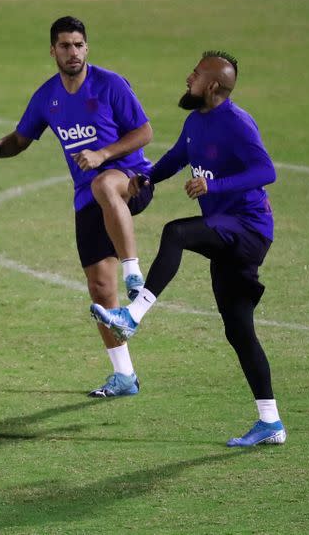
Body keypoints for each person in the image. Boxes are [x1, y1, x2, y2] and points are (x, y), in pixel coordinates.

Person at [90, 51, 286, 446]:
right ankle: (271, 422)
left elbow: (267, 171)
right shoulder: (195, 121)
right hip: (225, 233)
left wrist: (214, 187)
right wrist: (142, 178)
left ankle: (134, 314)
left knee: (177, 232)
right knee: (239, 330)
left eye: (195, 75)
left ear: (212, 86)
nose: (188, 78)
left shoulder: (237, 123)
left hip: (248, 230)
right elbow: (176, 158)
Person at [0, 16, 154, 398]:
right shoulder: (47, 98)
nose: (73, 52)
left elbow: (144, 132)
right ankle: (124, 377)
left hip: (132, 180)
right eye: (65, 46)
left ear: (87, 48)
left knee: (105, 182)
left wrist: (103, 153)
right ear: (53, 50)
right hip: (89, 198)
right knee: (100, 290)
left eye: (79, 45)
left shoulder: (110, 85)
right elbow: (21, 139)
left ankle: (134, 274)